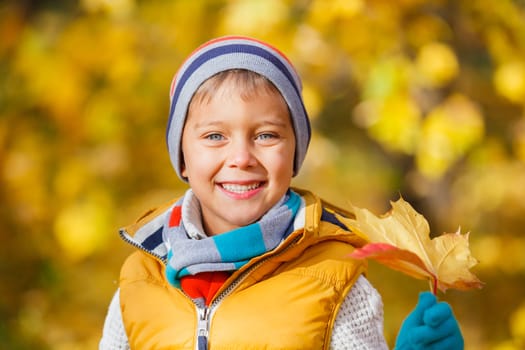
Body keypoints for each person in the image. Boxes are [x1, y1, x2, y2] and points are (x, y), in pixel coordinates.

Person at [99, 35, 464, 349]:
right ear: (182, 159)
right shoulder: (141, 279)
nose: (241, 158)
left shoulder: (333, 280)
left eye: (266, 135)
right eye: (215, 137)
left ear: (294, 155)